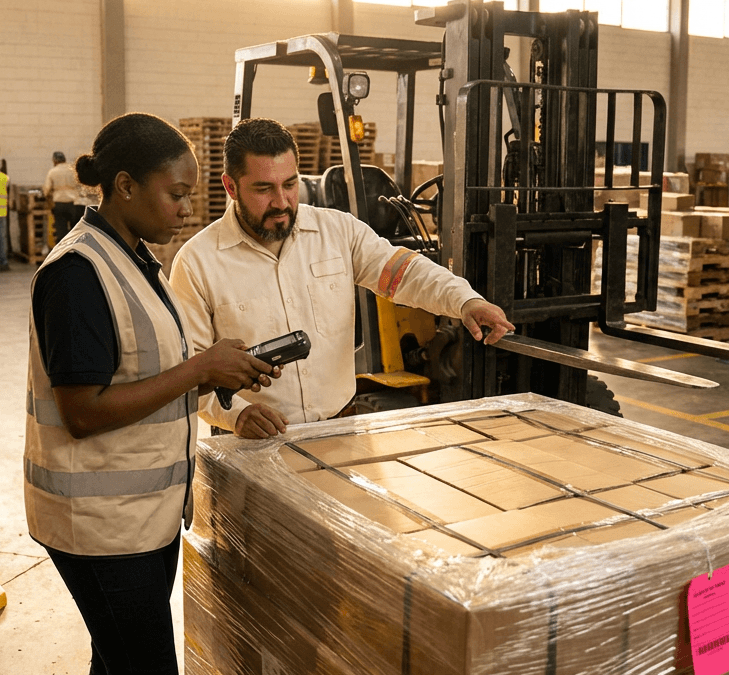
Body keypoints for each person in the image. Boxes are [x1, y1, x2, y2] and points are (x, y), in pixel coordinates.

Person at [24, 112, 279, 675]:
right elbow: (83, 411)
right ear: (125, 186)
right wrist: (198, 367)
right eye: (176, 195)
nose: (186, 210)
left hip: (141, 520)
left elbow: (146, 370)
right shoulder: (77, 273)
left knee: (114, 667)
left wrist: (215, 374)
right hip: (99, 528)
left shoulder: (136, 258)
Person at [169, 118, 515, 439]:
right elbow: (190, 372)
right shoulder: (198, 263)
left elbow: (406, 272)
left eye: (289, 185)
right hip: (251, 441)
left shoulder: (337, 232)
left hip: (341, 430)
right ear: (230, 186)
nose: (281, 202)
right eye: (264, 189)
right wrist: (237, 416)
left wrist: (465, 300)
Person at [43, 151, 85, 242]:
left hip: (59, 204)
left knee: (61, 231)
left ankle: (63, 252)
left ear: (54, 160)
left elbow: (46, 190)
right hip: (75, 203)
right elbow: (81, 185)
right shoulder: (72, 170)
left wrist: (47, 196)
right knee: (75, 231)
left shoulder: (52, 171)